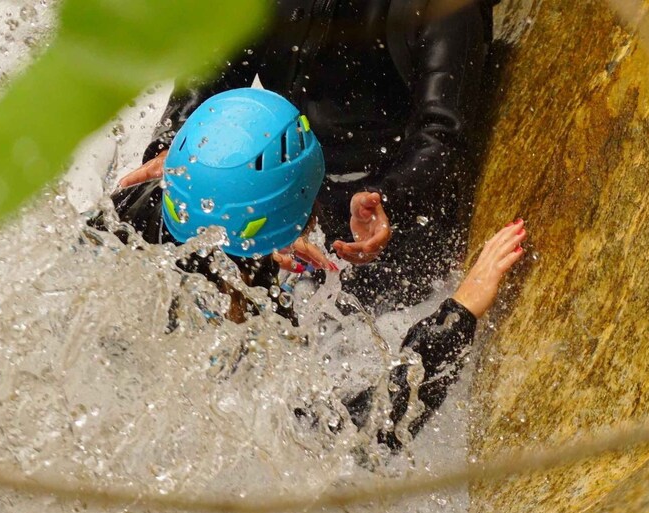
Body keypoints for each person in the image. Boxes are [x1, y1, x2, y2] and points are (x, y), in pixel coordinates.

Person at [102, 88, 525, 451]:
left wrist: (262, 249)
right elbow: (351, 438)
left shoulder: (128, 218)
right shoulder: (228, 365)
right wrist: (459, 312)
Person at [118, 0, 494, 312]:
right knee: (149, 223)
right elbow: (211, 68)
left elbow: (442, 136)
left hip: (377, 209)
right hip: (282, 192)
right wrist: (173, 144)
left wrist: (385, 200)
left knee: (344, 339)